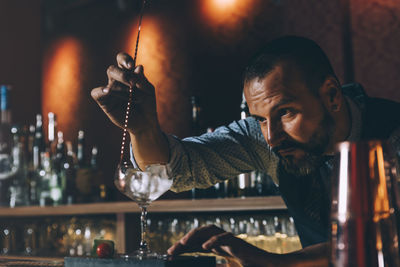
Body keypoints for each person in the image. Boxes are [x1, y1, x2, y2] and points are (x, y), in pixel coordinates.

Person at [91, 36, 400, 266]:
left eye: (286, 113)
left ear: (331, 95)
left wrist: (276, 263)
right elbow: (178, 170)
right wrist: (142, 129)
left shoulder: (393, 134)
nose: (272, 137)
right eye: (260, 120)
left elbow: (386, 247)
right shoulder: (263, 138)